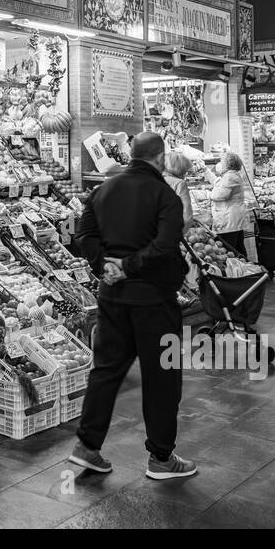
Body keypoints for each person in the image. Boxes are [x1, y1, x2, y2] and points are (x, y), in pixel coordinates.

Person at [67, 131, 196, 481]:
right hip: (155, 300)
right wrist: (128, 266)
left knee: (106, 371)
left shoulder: (102, 190)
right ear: (160, 157)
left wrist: (105, 267)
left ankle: (87, 447)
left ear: (132, 155)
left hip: (111, 299)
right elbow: (166, 245)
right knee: (162, 378)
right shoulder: (165, 195)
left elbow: (84, 236)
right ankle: (161, 458)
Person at [209, 151, 252, 255]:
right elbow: (217, 182)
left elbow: (220, 195)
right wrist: (206, 171)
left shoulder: (230, 177)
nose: (220, 164)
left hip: (229, 219)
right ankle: (246, 268)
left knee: (230, 249)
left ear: (229, 164)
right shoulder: (230, 175)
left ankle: (238, 269)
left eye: (221, 162)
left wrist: (207, 195)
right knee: (237, 247)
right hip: (232, 218)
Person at [162, 150, 194, 234]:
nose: (185, 174)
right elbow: (187, 217)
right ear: (180, 169)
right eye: (185, 171)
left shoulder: (154, 179)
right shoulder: (179, 183)